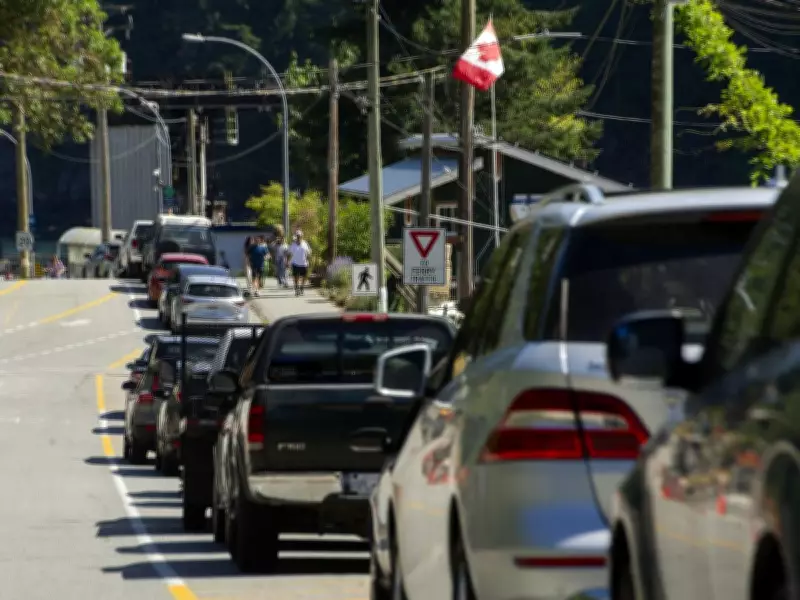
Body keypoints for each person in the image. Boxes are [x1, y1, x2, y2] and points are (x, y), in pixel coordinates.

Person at [287, 230, 312, 296]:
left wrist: (309, 261)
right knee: (296, 277)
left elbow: (309, 253)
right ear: (296, 236)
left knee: (304, 277)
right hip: (295, 263)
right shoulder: (293, 244)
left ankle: (302, 287)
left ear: (302, 236)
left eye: (300, 236)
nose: (298, 237)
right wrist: (287, 261)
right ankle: (296, 288)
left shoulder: (305, 243)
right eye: (297, 236)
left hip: (304, 263)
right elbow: (289, 253)